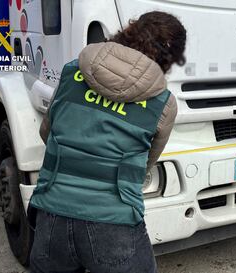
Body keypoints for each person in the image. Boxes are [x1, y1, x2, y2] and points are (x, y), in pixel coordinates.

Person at [28, 11, 187, 273]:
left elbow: (48, 133)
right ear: (170, 57)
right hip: (114, 224)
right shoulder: (163, 104)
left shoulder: (72, 72)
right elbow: (146, 162)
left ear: (130, 31)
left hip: (51, 213)